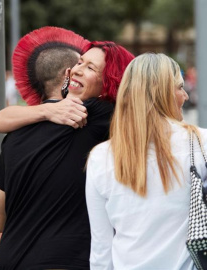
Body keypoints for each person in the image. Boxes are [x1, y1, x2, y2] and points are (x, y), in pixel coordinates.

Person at [0, 27, 134, 269]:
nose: (78, 69)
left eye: (90, 67)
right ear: (65, 74)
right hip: (66, 260)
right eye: (80, 62)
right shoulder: (95, 116)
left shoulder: (15, 135)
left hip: (12, 258)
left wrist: (48, 110)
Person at [85, 53, 206, 270]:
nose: (185, 96)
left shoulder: (101, 157)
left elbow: (102, 248)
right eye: (179, 87)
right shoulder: (200, 143)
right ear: (163, 93)